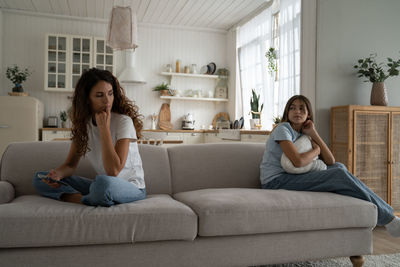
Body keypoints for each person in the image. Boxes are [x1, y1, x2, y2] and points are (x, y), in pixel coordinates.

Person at [260, 95, 400, 237]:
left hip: (292, 176)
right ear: (287, 112)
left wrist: (313, 133)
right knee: (338, 175)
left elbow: (331, 161)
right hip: (276, 181)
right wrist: (316, 150)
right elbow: (298, 162)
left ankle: (370, 215)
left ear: (308, 114)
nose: (297, 112)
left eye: (302, 109)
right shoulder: (283, 129)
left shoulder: (304, 134)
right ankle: (389, 218)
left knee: (339, 167)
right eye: (292, 108)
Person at [33, 68, 146, 207]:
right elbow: (70, 165)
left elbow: (113, 171)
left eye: (110, 94)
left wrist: (104, 128)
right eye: (99, 95)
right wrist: (57, 175)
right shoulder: (83, 124)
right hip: (101, 185)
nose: (107, 101)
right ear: (87, 99)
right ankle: (85, 199)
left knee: (102, 183)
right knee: (40, 178)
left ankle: (89, 197)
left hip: (132, 188)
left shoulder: (124, 122)